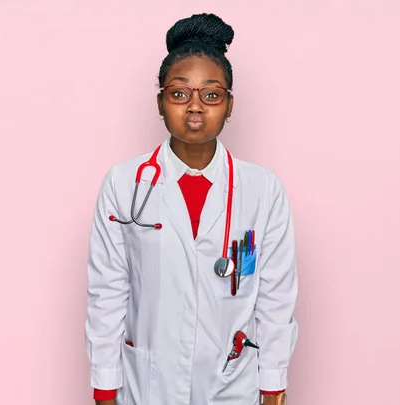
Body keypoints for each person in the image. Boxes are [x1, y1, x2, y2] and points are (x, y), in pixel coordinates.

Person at [85, 13, 298, 405]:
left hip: (232, 383)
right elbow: (108, 292)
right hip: (149, 383)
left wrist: (273, 386)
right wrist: (104, 385)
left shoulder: (263, 190)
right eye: (180, 94)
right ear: (160, 102)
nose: (195, 107)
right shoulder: (123, 183)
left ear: (230, 104)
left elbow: (275, 297)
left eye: (211, 95)